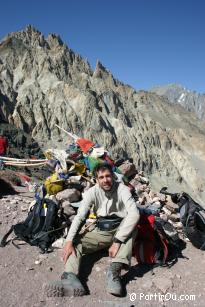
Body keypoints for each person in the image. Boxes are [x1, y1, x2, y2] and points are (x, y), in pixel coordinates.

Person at [45, 163, 140, 297]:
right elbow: (80, 217)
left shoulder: (122, 189)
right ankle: (70, 278)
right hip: (102, 231)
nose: (105, 180)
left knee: (132, 227)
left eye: (108, 176)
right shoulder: (92, 192)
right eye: (101, 177)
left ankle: (114, 272)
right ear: (96, 180)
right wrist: (69, 240)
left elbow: (134, 214)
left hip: (120, 230)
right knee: (75, 244)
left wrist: (118, 241)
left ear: (113, 176)